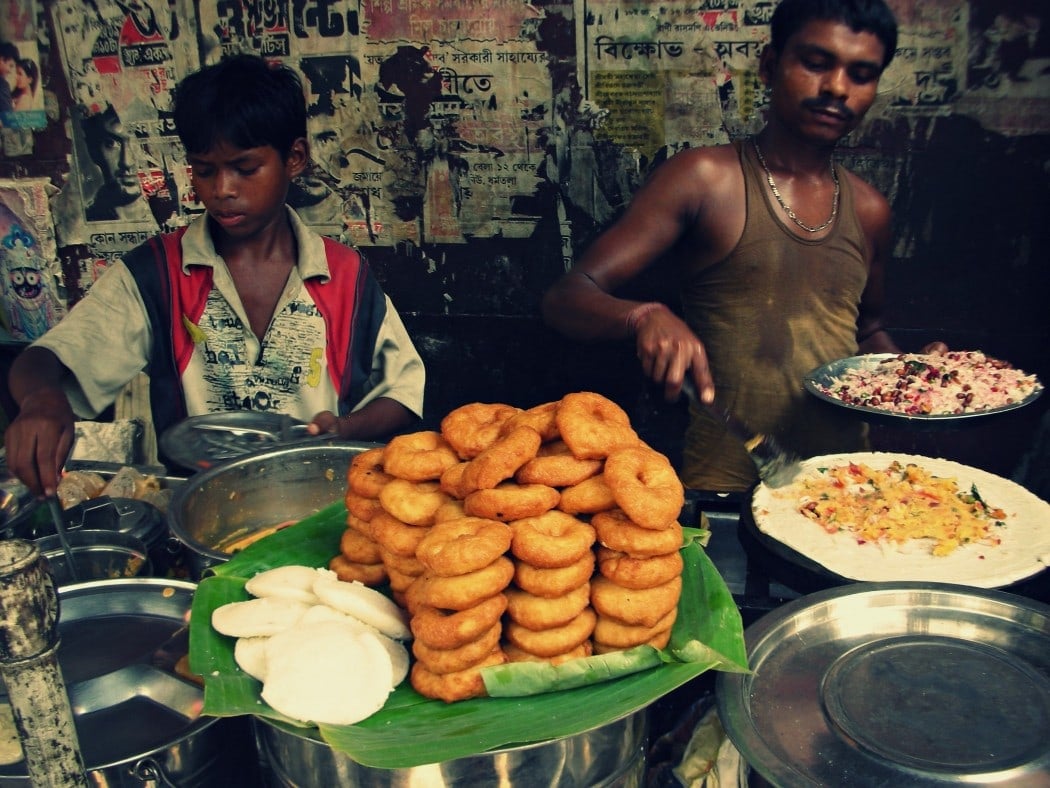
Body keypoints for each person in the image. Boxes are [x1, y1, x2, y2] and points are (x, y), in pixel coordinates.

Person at [541, 0, 945, 492]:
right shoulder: (705, 180)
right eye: (817, 63)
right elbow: (566, 298)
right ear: (771, 66)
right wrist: (642, 316)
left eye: (861, 74)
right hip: (728, 482)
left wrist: (912, 374)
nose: (837, 87)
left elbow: (868, 330)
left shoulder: (870, 209)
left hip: (848, 484)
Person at [5, 54, 425, 496]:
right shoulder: (157, 275)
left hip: (319, 507)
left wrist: (343, 428)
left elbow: (403, 393)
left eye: (245, 169)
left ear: (295, 157)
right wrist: (40, 400)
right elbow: (44, 360)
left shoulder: (344, 275)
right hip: (198, 508)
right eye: (205, 170)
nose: (222, 189)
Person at [80, 105, 156, 223]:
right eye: (111, 144)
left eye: (140, 143)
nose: (126, 162)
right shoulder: (81, 221)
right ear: (93, 150)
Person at [0, 41, 18, 115]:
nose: (10, 71)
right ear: (2, 60)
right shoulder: (3, 84)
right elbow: (8, 117)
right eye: (10, 65)